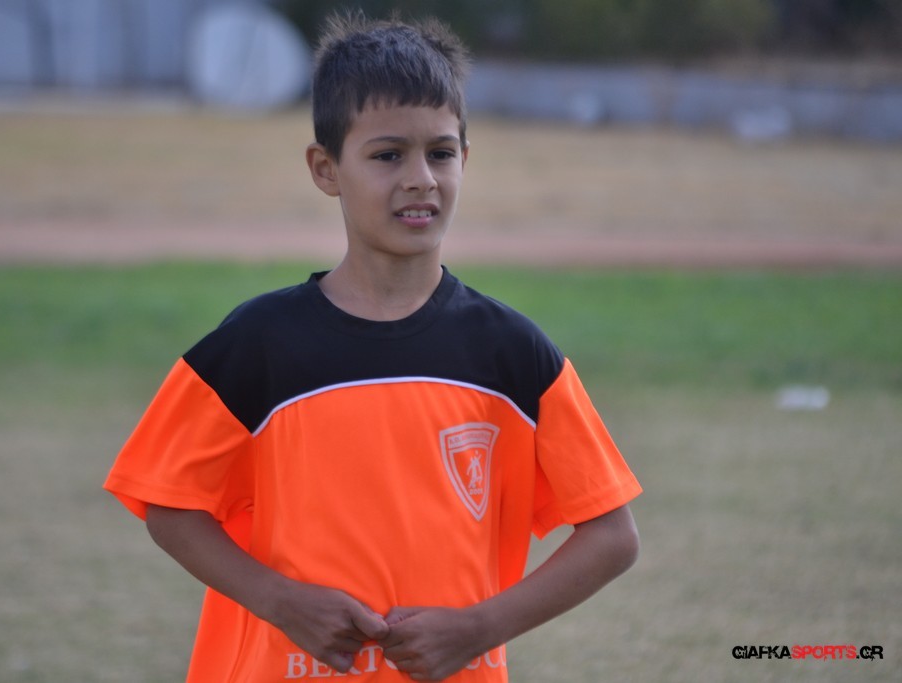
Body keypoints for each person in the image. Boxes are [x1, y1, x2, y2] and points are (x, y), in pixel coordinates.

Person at [104, 12, 641, 682]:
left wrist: (479, 628)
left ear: (465, 160)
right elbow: (167, 501)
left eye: (440, 153)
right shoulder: (260, 341)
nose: (420, 178)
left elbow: (612, 535)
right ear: (326, 168)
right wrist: (280, 601)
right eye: (388, 155)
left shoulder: (510, 352)